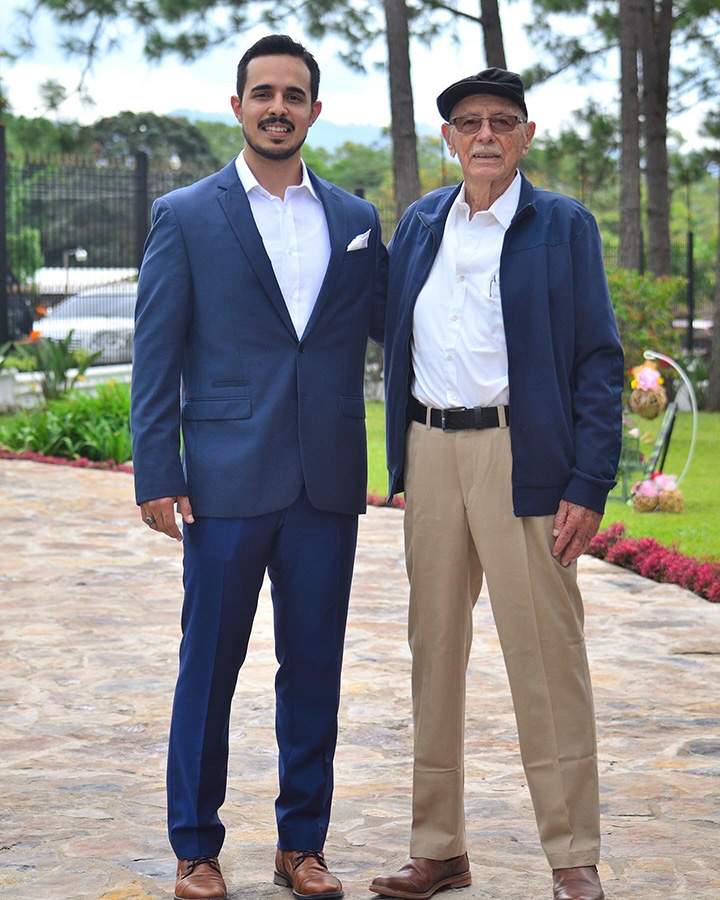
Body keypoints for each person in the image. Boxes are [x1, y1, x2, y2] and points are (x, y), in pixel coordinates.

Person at [130, 34, 386, 900]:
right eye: (263, 93)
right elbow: (155, 352)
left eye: (294, 94)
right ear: (236, 106)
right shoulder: (187, 215)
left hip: (326, 482)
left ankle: (300, 845)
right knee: (209, 670)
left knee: (314, 670)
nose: (278, 107)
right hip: (226, 479)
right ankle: (196, 849)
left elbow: (398, 331)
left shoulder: (355, 221)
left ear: (315, 110)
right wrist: (157, 469)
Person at [370, 68, 623, 900]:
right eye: (469, 122)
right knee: (433, 653)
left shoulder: (563, 227)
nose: (485, 135)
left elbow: (597, 359)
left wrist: (588, 480)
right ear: (448, 138)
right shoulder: (418, 226)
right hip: (431, 449)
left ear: (526, 135)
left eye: (502, 122)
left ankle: (572, 855)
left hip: (527, 459)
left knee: (547, 660)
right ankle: (437, 846)